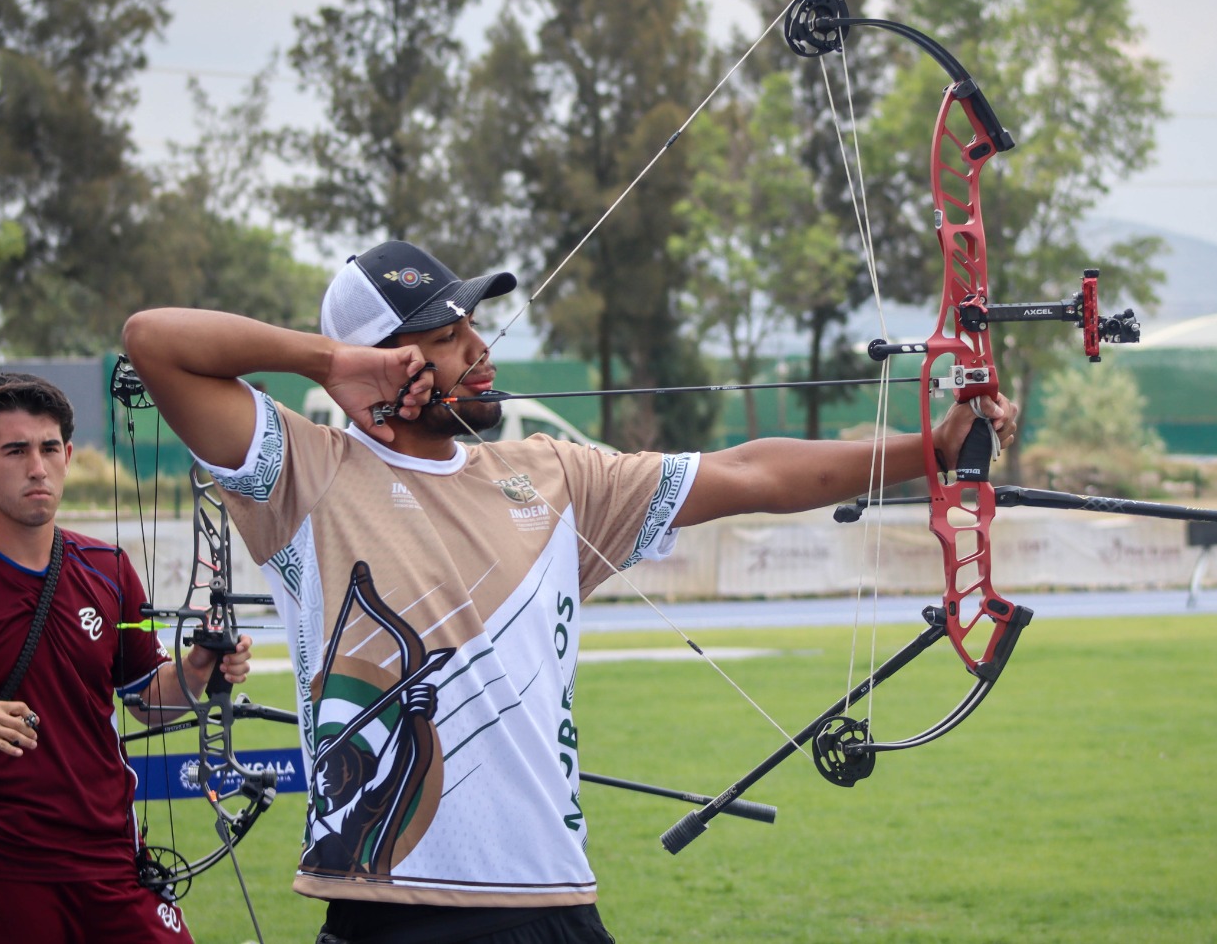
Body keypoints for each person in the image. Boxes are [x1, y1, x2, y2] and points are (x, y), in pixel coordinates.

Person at [121, 240, 1017, 944]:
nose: (480, 349)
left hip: (554, 895)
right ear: (384, 361)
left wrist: (931, 449)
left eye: (474, 326)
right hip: (392, 907)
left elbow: (750, 472)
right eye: (447, 335)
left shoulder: (552, 474)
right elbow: (153, 339)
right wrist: (326, 362)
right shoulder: (301, 472)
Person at [0, 373, 254, 944]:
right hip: (3, 868)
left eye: (49, 448)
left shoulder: (108, 569)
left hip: (113, 857)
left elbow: (148, 700)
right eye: (15, 451)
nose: (37, 468)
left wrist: (196, 669)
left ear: (67, 455)